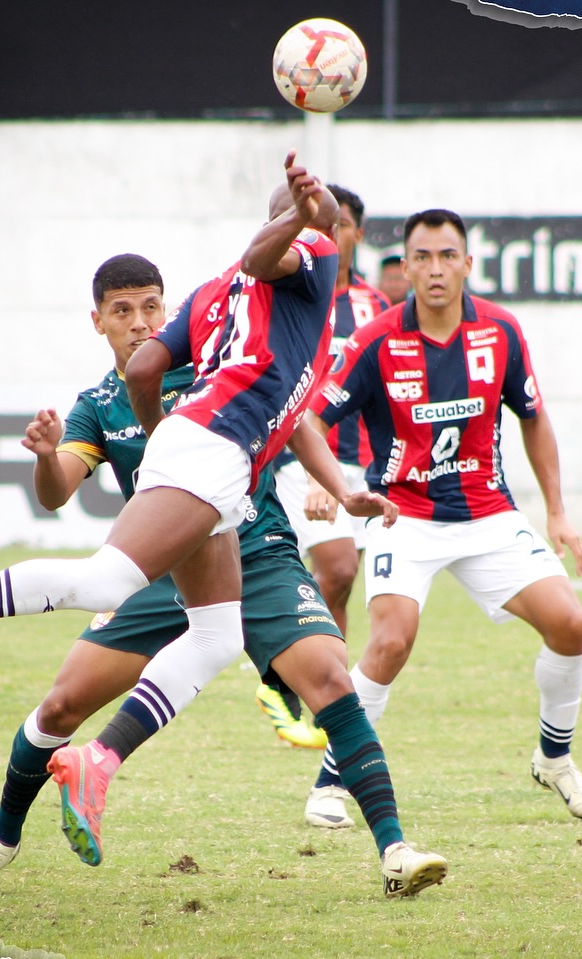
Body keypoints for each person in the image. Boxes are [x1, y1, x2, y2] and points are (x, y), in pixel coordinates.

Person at [0, 154, 447, 898]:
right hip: (199, 480)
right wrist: (303, 218)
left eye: (146, 306)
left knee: (245, 646)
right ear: (97, 318)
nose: (138, 321)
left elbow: (194, 386)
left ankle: (387, 848)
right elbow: (70, 475)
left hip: (241, 529)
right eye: (121, 310)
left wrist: (339, 488)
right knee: (79, 649)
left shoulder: (210, 311)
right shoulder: (289, 269)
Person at [300, 208, 582, 830]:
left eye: (448, 256)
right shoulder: (377, 340)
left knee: (571, 624)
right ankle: (331, 784)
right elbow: (311, 418)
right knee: (389, 643)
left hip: (487, 513)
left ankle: (554, 758)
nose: (436, 269)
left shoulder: (501, 332)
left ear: (468, 263)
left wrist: (557, 510)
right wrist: (321, 478)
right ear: (405, 266)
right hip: (402, 516)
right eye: (423, 257)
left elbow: (533, 416)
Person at [258, 184, 390, 750]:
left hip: (362, 464)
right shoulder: (286, 293)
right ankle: (275, 672)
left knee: (339, 583)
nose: (329, 235)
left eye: (339, 226)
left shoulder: (375, 308)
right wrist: (318, 474)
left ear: (355, 234)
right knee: (334, 568)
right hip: (299, 457)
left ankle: (317, 693)